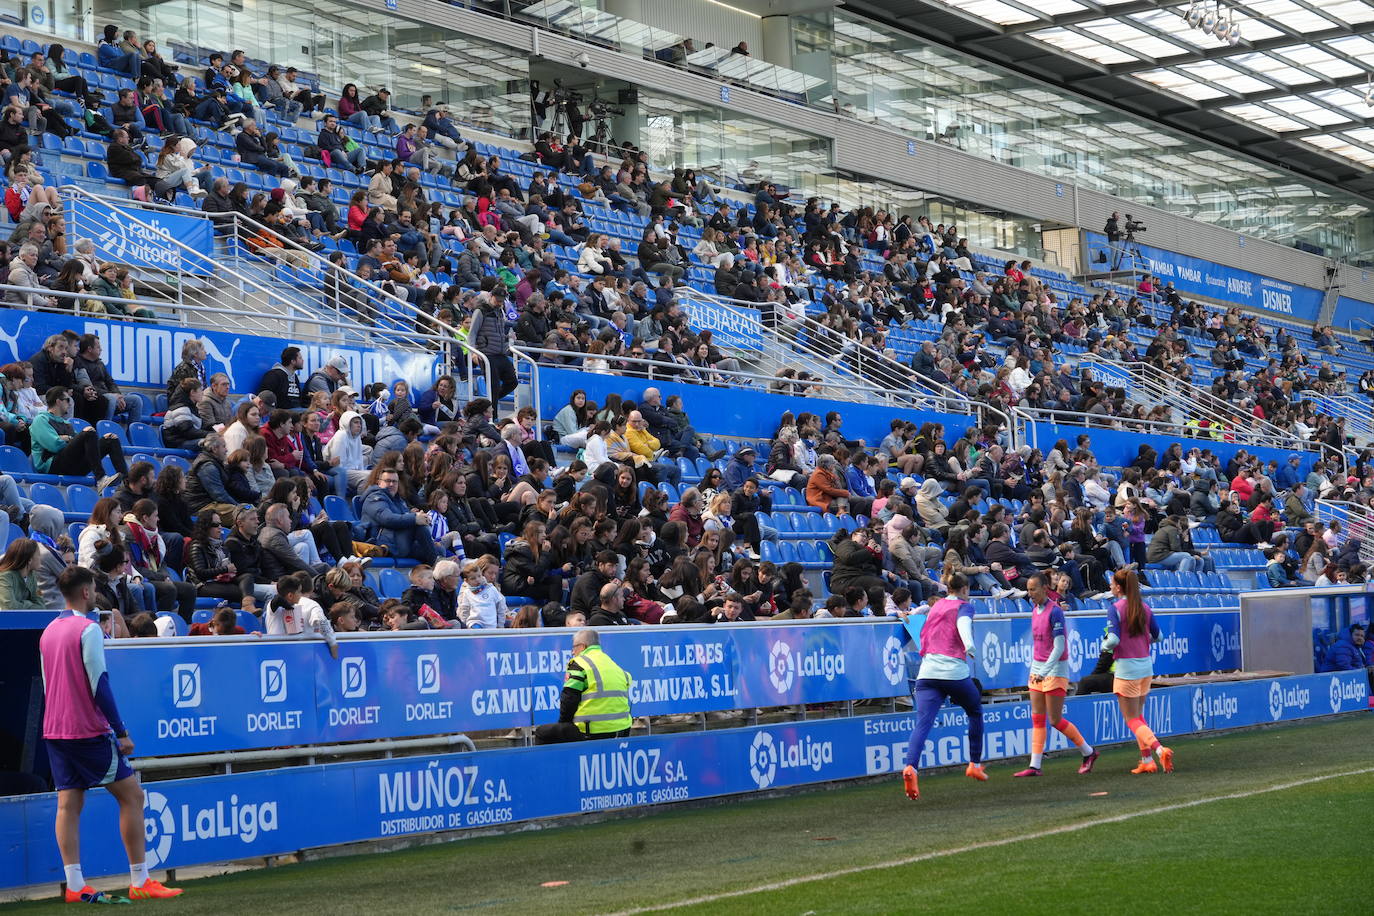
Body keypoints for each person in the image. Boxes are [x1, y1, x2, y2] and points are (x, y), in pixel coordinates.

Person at [40, 566, 183, 903]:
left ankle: (75, 885)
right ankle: (140, 879)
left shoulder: (48, 631)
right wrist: (121, 731)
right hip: (85, 729)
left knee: (68, 803)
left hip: (55, 728)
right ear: (87, 592)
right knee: (132, 796)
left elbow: (48, 685)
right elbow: (98, 683)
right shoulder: (87, 630)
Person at [898, 572, 987, 800]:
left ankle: (911, 767)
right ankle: (974, 763)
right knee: (975, 712)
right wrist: (969, 645)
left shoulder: (935, 606)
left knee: (923, 724)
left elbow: (918, 616)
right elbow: (963, 623)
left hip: (927, 672)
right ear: (965, 589)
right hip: (953, 670)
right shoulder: (964, 606)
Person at [1012, 574, 1097, 777]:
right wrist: (1036, 670)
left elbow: (1059, 647)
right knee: (1037, 718)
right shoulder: (1035, 610)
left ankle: (1089, 752)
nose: (1030, 594)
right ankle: (1035, 765)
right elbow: (1039, 644)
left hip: (1055, 669)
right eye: (1028, 590)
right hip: (1038, 669)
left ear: (1044, 588)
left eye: (1033, 589)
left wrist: (1043, 671)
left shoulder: (1056, 612)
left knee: (1055, 720)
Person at [1106, 568, 1173, 775]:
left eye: (1112, 583)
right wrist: (1142, 641)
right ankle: (1146, 760)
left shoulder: (1115, 608)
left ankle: (1159, 750)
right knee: (1139, 716)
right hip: (1146, 666)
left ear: (1118, 587)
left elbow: (1114, 639)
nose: (1110, 586)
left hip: (1127, 668)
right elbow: (1159, 636)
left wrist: (1104, 645)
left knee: (1131, 719)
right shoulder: (1144, 607)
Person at [533, 627, 633, 744]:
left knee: (542, 733)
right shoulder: (613, 664)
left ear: (583, 646)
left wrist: (563, 724)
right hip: (622, 730)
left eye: (574, 647)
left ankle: (564, 762)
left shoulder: (580, 664)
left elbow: (569, 699)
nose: (572, 652)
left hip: (592, 732)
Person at [30, 387, 126, 490]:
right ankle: (101, 478)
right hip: (52, 465)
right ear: (58, 401)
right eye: (67, 400)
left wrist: (66, 438)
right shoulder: (41, 419)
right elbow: (54, 445)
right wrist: (69, 439)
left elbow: (78, 444)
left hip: (71, 464)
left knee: (111, 438)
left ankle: (127, 483)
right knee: (89, 432)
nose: (70, 403)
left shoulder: (66, 423)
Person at [0, 536, 42, 609]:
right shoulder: (4, 577)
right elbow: (9, 607)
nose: (40, 558)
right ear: (29, 560)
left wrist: (21, 604)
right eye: (38, 555)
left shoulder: (32, 575)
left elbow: (41, 606)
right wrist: (28, 603)